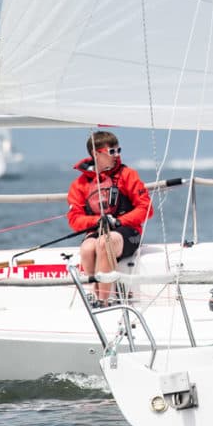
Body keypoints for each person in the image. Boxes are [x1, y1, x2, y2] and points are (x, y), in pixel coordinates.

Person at [67, 131, 152, 306]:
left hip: (127, 233)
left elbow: (146, 208)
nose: (117, 155)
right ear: (96, 154)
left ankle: (102, 301)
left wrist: (119, 221)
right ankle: (95, 296)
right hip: (98, 230)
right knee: (87, 248)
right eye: (112, 151)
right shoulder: (80, 184)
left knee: (106, 242)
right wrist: (96, 221)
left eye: (118, 150)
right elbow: (75, 219)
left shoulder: (128, 175)